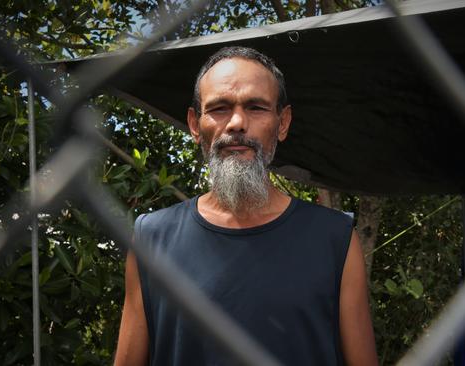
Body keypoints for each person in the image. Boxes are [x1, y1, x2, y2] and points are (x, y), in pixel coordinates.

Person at [114, 46, 378, 366]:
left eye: (256, 107)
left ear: (282, 123)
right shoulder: (152, 238)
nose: (237, 123)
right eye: (220, 108)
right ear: (195, 125)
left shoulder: (334, 238)